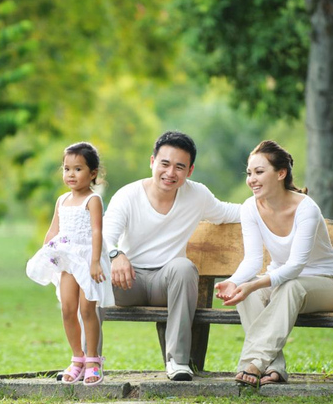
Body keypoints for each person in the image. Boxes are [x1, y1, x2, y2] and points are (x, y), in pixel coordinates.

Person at [103, 131, 241, 381]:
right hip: (127, 282)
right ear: (152, 161)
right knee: (84, 275)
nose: (170, 173)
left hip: (166, 284)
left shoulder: (197, 195)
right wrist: (116, 254)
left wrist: (277, 201)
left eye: (180, 167)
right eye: (165, 163)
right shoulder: (128, 195)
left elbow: (230, 212)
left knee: (183, 267)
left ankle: (177, 362)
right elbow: (104, 236)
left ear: (189, 171)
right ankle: (87, 361)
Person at [215, 140, 333, 387]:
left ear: (281, 173)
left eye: (259, 172)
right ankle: (273, 368)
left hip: (327, 285)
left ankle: (252, 363)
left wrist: (253, 285)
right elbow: (253, 260)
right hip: (283, 282)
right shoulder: (250, 208)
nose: (251, 179)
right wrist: (234, 282)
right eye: (249, 173)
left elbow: (296, 266)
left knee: (289, 286)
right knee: (246, 292)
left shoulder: (306, 208)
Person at [26, 142, 114, 386]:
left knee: (88, 310)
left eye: (78, 169)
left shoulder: (93, 200)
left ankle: (93, 360)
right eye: (67, 169)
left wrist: (95, 262)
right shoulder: (62, 200)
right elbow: (54, 230)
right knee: (67, 309)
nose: (71, 174)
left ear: (93, 173)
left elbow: (97, 232)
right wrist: (45, 255)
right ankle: (77, 357)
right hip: (66, 261)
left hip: (87, 261)